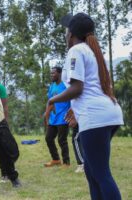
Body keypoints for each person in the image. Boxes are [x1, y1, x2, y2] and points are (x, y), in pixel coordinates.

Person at [48, 13, 123, 200]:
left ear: (71, 33)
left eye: (66, 30)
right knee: (92, 170)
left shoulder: (76, 50)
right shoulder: (92, 51)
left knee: (101, 173)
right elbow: (91, 87)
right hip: (108, 112)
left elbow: (77, 88)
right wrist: (75, 109)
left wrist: (53, 100)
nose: (65, 34)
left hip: (95, 117)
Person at [44, 67, 71, 167]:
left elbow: (72, 98)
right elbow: (50, 101)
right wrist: (47, 113)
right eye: (51, 73)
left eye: (53, 73)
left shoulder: (65, 85)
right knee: (48, 138)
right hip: (53, 118)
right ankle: (56, 159)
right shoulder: (52, 86)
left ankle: (66, 162)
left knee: (62, 140)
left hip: (63, 117)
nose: (51, 75)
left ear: (59, 74)